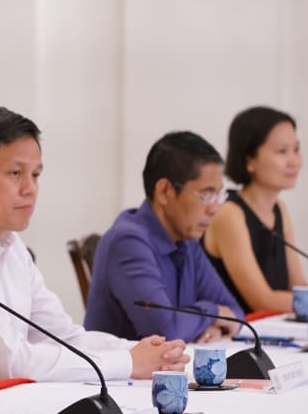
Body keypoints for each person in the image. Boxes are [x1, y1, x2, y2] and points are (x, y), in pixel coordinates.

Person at [0, 106, 189, 390]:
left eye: (36, 175)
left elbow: (62, 336)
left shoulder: (10, 244)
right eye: (15, 174)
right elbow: (13, 363)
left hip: (5, 412)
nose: (30, 188)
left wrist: (141, 350)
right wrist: (128, 362)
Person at [85, 131, 244, 343]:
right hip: (119, 375)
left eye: (219, 195)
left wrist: (212, 328)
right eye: (206, 195)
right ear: (164, 191)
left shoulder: (187, 241)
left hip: (168, 372)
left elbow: (236, 313)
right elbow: (165, 331)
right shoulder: (127, 243)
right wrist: (212, 312)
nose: (214, 208)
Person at [202, 106, 306, 313]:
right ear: (249, 160)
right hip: (235, 338)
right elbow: (262, 300)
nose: (294, 161)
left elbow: (299, 288)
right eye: (282, 151)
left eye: (296, 149)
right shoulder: (229, 213)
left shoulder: (279, 209)